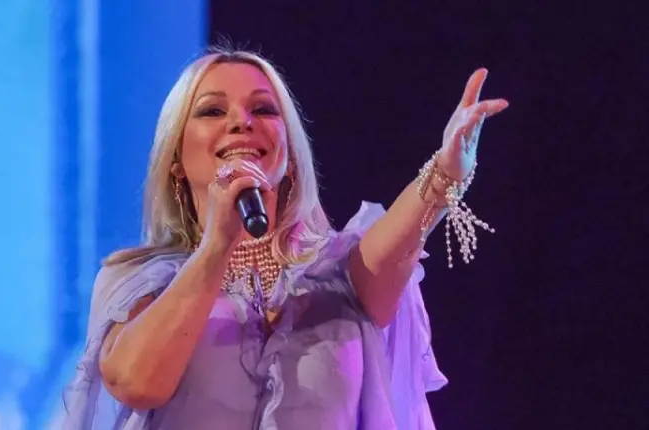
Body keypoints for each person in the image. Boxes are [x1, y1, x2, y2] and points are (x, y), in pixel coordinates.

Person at [62, 47, 509, 430]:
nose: (241, 121)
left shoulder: (341, 277)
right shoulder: (139, 282)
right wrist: (217, 245)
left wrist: (448, 169)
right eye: (212, 111)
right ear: (176, 159)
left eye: (263, 110)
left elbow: (405, 231)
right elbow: (136, 383)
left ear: (290, 156)